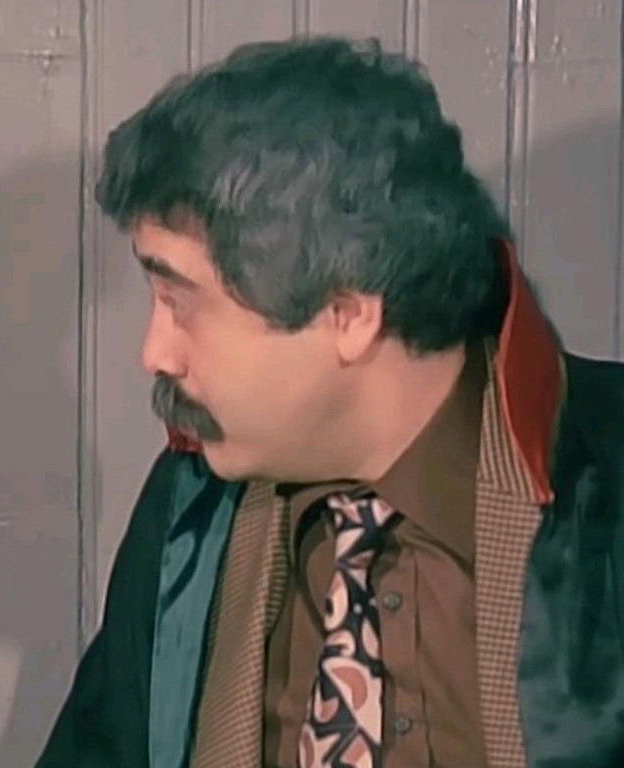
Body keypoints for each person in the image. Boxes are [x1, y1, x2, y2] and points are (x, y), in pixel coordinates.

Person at [37, 36, 624, 768]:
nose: (155, 353)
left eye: (181, 302)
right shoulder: (190, 511)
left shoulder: (606, 484)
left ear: (348, 315)